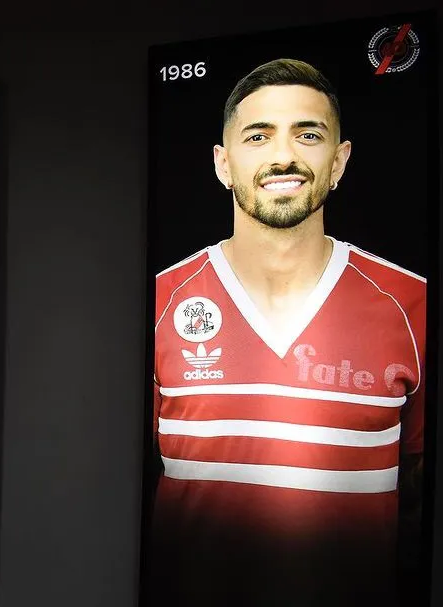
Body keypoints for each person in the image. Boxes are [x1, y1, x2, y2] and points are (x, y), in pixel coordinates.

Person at [150, 59, 425, 606]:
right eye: (259, 136)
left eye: (308, 134)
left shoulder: (411, 303)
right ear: (222, 164)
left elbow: (416, 483)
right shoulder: (158, 300)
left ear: (340, 160)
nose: (284, 156)